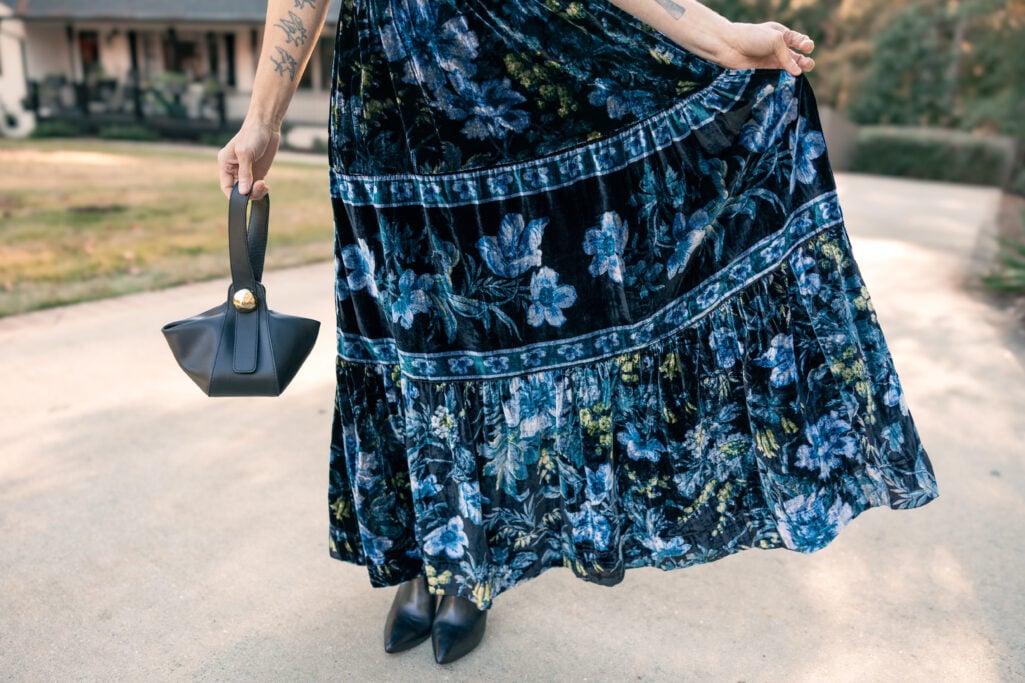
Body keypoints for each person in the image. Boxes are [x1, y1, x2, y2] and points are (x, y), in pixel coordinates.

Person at [218, 0, 938, 666]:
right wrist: (263, 118)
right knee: (406, 323)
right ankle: (420, 552)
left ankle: (469, 566)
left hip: (502, 72)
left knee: (498, 328)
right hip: (382, 103)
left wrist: (720, 38)